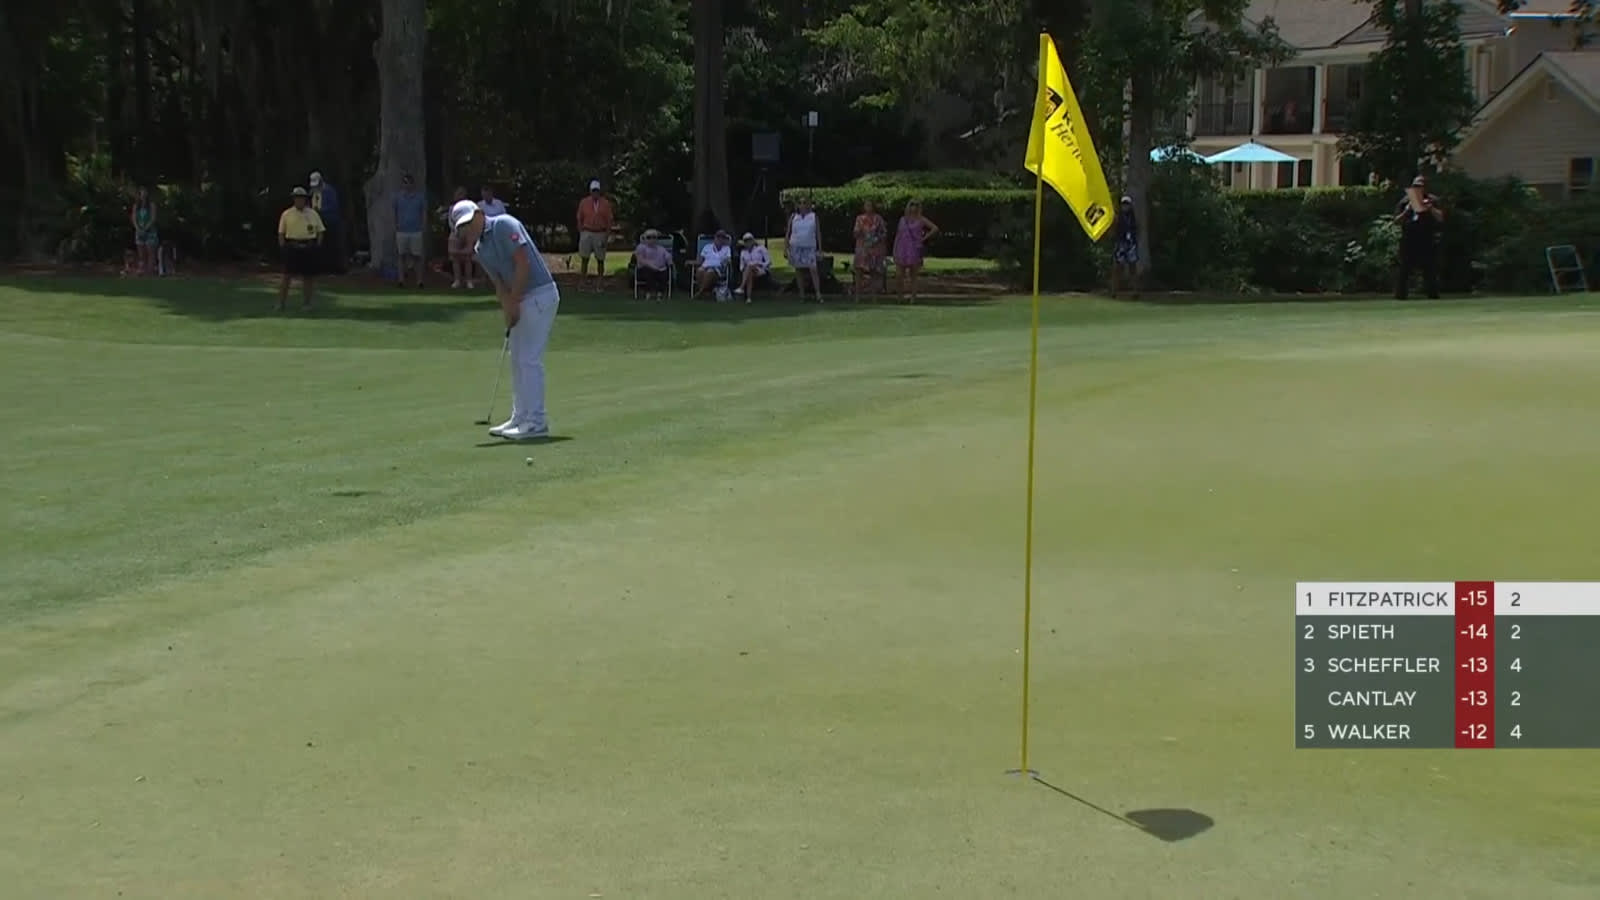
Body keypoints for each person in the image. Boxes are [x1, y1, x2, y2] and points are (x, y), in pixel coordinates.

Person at [451, 198, 560, 441]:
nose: (467, 229)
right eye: (462, 228)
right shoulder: (480, 249)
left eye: (469, 222)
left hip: (540, 294)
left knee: (528, 359)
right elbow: (498, 283)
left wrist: (515, 300)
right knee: (517, 359)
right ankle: (520, 417)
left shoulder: (503, 224)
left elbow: (523, 263)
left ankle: (537, 421)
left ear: (479, 214)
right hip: (520, 297)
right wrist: (507, 308)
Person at [277, 186, 326, 312]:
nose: (299, 200)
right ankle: (281, 304)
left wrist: (317, 246)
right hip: (292, 247)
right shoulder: (286, 214)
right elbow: (281, 233)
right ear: (294, 199)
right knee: (286, 276)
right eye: (297, 198)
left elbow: (320, 231)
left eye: (301, 198)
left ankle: (307, 304)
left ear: (305, 199)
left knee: (308, 277)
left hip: (308, 246)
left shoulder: (313, 213)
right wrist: (283, 247)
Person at [1395, 175, 1444, 300]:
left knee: (1430, 270)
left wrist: (1430, 208)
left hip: (1426, 239)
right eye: (1415, 186)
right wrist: (1407, 211)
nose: (1417, 189)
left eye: (1420, 186)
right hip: (1409, 239)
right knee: (1404, 269)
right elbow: (1397, 221)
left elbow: (1441, 218)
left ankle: (1433, 295)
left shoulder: (1432, 200)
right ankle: (1401, 296)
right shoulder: (1405, 201)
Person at [893, 199, 939, 304]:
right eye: (911, 205)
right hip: (901, 248)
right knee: (899, 275)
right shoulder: (902, 220)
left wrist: (924, 238)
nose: (913, 207)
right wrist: (894, 249)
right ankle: (900, 297)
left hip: (914, 248)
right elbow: (898, 235)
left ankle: (913, 298)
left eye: (916, 205)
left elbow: (935, 228)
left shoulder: (921, 219)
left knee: (913, 275)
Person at [576, 179, 615, 292]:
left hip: (600, 232)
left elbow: (609, 220)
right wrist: (581, 232)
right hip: (587, 231)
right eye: (593, 191)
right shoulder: (584, 202)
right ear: (590, 191)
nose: (595, 193)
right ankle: (582, 282)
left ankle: (600, 283)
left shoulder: (605, 203)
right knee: (584, 258)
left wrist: (606, 235)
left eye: (597, 191)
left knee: (600, 259)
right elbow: (579, 217)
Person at [393, 173, 427, 289]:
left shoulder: (420, 197)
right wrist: (395, 225)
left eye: (409, 183)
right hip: (401, 230)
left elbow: (423, 212)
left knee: (417, 256)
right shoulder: (397, 197)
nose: (407, 185)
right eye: (405, 183)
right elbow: (394, 212)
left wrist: (423, 226)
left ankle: (419, 281)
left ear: (413, 184)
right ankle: (401, 280)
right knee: (401, 255)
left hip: (416, 230)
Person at [785, 196, 822, 303]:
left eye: (805, 203)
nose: (802, 205)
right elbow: (788, 232)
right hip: (796, 246)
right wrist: (785, 248)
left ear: (808, 204)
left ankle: (818, 293)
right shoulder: (793, 217)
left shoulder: (813, 216)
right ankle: (802, 295)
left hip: (809, 246)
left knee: (813, 269)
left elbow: (818, 233)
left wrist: (820, 249)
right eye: (800, 203)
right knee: (799, 271)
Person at [308, 171, 343, 274]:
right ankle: (321, 268)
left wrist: (320, 210)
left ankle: (333, 269)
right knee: (320, 244)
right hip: (317, 222)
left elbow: (334, 206)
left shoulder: (329, 191)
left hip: (330, 221)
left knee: (331, 245)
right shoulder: (313, 191)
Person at [851, 200, 887, 300]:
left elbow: (884, 233)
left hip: (874, 248)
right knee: (859, 271)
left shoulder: (878, 219)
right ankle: (857, 296)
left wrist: (876, 239)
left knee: (873, 272)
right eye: (866, 205)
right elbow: (855, 233)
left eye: (870, 205)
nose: (868, 207)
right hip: (862, 248)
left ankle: (873, 296)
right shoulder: (859, 218)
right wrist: (858, 232)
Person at [445, 187, 478, 289]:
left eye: (462, 194)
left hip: (468, 233)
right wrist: (457, 231)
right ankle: (457, 280)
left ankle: (469, 280)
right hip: (455, 233)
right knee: (455, 258)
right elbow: (450, 221)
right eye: (458, 194)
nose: (460, 196)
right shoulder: (452, 208)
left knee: (468, 258)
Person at [1110, 195, 1140, 299]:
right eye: (1123, 204)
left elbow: (1136, 229)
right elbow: (1113, 230)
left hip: (1131, 244)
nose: (1125, 206)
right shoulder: (1118, 217)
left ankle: (1135, 291)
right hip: (1121, 244)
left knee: (1133, 268)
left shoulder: (1133, 217)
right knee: (1117, 268)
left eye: (1127, 204)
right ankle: (1114, 291)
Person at [633, 229, 672, 301]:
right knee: (648, 272)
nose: (651, 239)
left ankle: (659, 293)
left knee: (665, 273)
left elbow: (668, 256)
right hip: (645, 268)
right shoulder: (641, 247)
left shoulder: (661, 248)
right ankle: (649, 292)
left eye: (654, 237)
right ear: (645, 238)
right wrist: (652, 266)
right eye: (649, 237)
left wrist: (669, 260)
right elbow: (640, 260)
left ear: (656, 239)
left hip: (660, 269)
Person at [694, 230, 734, 299]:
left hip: (717, 269)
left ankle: (700, 292)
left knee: (710, 272)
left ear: (724, 240)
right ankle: (704, 293)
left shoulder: (727, 248)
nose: (720, 239)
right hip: (705, 266)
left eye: (722, 238)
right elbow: (700, 260)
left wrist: (725, 261)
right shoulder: (707, 247)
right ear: (715, 238)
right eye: (718, 237)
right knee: (700, 270)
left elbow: (729, 260)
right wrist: (691, 262)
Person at [130, 187, 159, 276]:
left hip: (150, 231)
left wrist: (145, 228)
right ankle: (142, 270)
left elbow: (153, 218)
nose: (143, 195)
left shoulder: (151, 205)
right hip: (139, 231)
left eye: (144, 193)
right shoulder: (136, 206)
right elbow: (133, 218)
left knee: (150, 252)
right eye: (141, 194)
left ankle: (150, 271)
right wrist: (138, 228)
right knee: (141, 253)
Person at [736, 233, 772, 303]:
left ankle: (741, 287)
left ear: (753, 241)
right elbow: (741, 265)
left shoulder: (761, 248)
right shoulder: (743, 252)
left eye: (749, 240)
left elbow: (769, 262)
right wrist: (745, 269)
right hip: (748, 271)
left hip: (760, 269)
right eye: (746, 241)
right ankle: (748, 298)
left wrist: (759, 263)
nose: (748, 243)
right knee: (749, 271)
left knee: (750, 267)